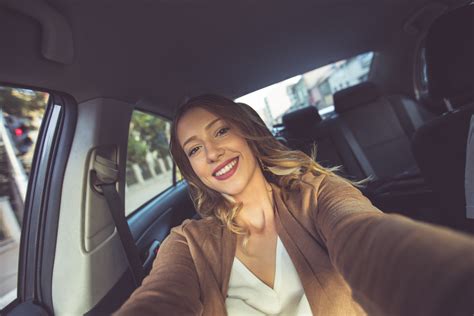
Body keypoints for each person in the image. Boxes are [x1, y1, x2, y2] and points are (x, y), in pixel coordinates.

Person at [115, 94, 474, 316]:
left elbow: (366, 237)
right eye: (194, 149)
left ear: (247, 131)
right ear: (191, 169)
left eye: (221, 131)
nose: (212, 152)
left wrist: (453, 282)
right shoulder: (188, 243)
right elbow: (159, 299)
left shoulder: (316, 194)